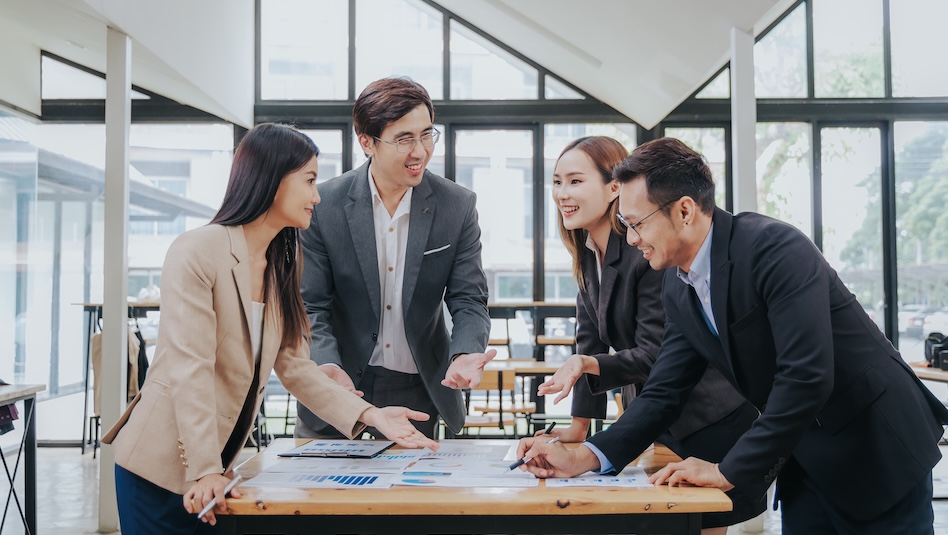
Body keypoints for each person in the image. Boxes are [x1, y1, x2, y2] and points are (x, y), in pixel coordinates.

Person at [517, 136, 948, 534]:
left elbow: (806, 376)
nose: (631, 240)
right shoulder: (677, 282)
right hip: (806, 452)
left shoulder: (774, 250)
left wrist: (727, 469)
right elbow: (665, 390)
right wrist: (588, 456)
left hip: (876, 444)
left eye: (637, 224)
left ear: (684, 211)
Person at [102, 123, 438, 534]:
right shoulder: (197, 251)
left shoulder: (282, 262)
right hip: (161, 469)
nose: (317, 195)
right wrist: (206, 469)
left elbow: (296, 368)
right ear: (272, 180)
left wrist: (372, 416)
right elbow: (191, 370)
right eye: (309, 181)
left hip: (214, 472)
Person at [541, 136, 764, 533]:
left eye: (575, 181)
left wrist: (589, 364)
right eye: (556, 182)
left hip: (708, 414)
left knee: (704, 523)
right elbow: (588, 339)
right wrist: (578, 425)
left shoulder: (647, 248)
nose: (562, 193)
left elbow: (656, 353)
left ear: (614, 188)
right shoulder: (589, 250)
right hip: (655, 416)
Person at [295, 76, 495, 441]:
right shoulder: (325, 205)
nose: (419, 151)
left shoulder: (457, 206)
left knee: (414, 497)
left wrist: (465, 351)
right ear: (367, 142)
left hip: (417, 386)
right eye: (404, 139)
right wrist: (324, 364)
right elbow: (311, 305)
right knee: (323, 494)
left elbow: (468, 298)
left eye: (426, 135)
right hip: (339, 383)